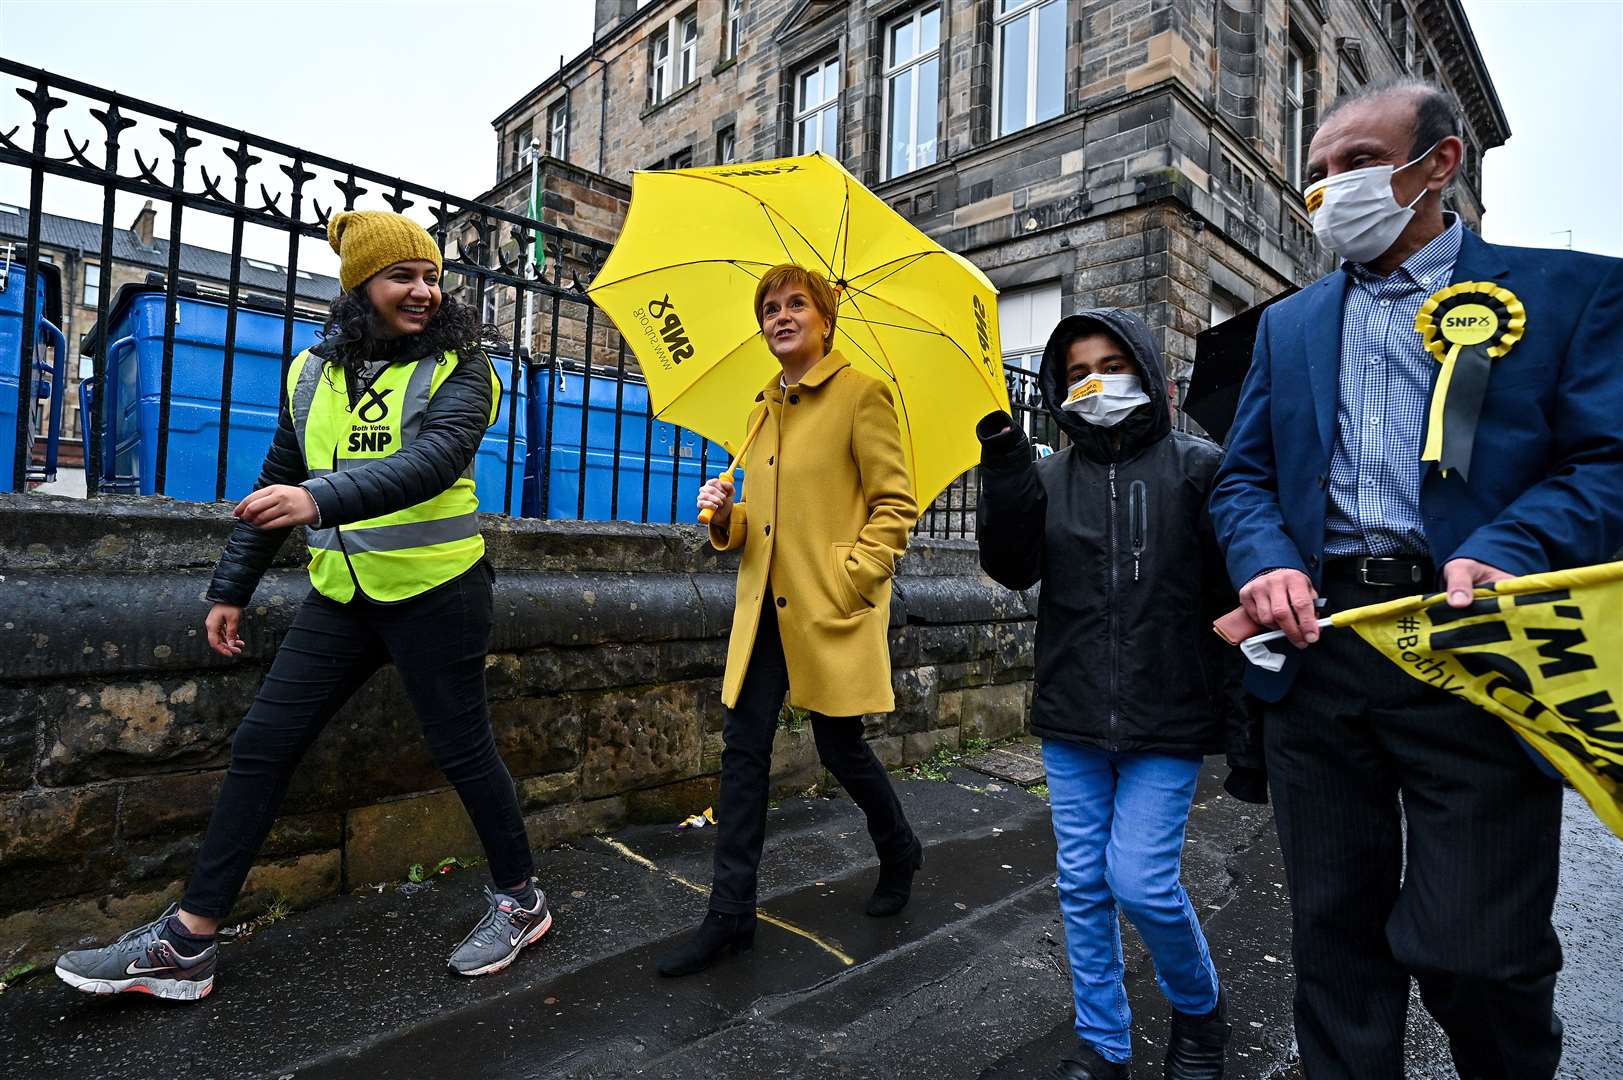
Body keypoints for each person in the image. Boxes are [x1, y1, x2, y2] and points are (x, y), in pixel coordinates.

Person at [1209, 78, 1623, 1079]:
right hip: (1322, 656)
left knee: (1477, 955)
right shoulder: (1289, 326)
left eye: (1354, 162)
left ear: (1438, 166)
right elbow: (1244, 479)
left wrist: (1513, 546)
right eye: (1315, 175)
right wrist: (1265, 564)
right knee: (1334, 942)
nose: (1328, 191)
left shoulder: (1568, 294)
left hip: (1472, 653)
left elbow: (1608, 462)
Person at [55, 211, 552, 1000]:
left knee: (462, 750)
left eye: (430, 277)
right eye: (402, 277)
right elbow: (273, 480)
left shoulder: (462, 366)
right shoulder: (309, 372)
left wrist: (316, 500)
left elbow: (431, 463)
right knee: (262, 745)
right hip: (341, 595)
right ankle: (189, 942)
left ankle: (521, 900)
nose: (423, 291)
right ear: (361, 288)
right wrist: (232, 587)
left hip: (437, 592)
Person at [976, 309, 1249, 1080]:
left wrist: (1242, 717)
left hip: (1167, 716)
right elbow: (1011, 566)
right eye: (1074, 372)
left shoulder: (1200, 467)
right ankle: (1103, 1045)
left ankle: (1198, 1016)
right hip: (1072, 714)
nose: (1095, 381)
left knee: (1140, 880)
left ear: (1147, 368)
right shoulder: (1049, 476)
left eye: (1111, 363)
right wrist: (1003, 465)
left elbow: (1235, 588)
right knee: (1082, 886)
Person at [656, 263, 923, 978]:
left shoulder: (862, 395)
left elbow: (895, 506)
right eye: (768, 307)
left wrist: (851, 576)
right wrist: (726, 516)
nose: (779, 316)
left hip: (826, 606)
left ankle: (898, 848)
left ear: (824, 319)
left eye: (794, 304)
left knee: (840, 748)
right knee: (742, 755)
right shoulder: (761, 409)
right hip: (763, 611)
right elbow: (763, 528)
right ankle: (728, 916)